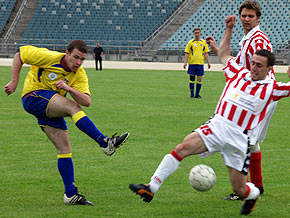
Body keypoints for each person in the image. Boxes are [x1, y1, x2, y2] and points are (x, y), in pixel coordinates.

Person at [129, 15, 290, 215]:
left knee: (239, 189)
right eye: (253, 63)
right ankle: (151, 188)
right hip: (216, 126)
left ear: (269, 69)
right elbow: (223, 54)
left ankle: (253, 193)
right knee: (182, 147)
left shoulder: (272, 88)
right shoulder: (239, 72)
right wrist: (228, 29)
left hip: (238, 139)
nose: (254, 67)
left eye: (259, 65)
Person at [4, 40, 129, 205]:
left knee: (64, 149)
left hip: (50, 104)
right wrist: (14, 81)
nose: (78, 63)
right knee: (73, 108)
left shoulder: (79, 73)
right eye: (76, 57)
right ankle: (104, 142)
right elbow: (20, 55)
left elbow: (87, 101)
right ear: (67, 53)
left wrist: (69, 88)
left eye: (82, 59)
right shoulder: (49, 57)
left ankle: (70, 194)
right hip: (33, 96)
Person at [206, 0, 274, 200]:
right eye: (244, 15)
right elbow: (236, 64)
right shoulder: (248, 39)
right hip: (251, 96)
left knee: (241, 141)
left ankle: (244, 189)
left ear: (258, 18)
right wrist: (218, 51)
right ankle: (256, 186)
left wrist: (253, 95)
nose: (246, 19)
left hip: (256, 97)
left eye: (250, 16)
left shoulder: (258, 40)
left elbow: (260, 70)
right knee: (250, 143)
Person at [183, 27, 211, 98]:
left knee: (199, 79)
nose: (197, 34)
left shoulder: (203, 42)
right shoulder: (190, 42)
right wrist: (185, 62)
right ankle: (192, 94)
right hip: (192, 63)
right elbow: (187, 52)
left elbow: (206, 53)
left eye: (198, 33)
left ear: (200, 33)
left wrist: (208, 62)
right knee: (192, 79)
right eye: (195, 33)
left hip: (200, 64)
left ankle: (197, 94)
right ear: (193, 33)